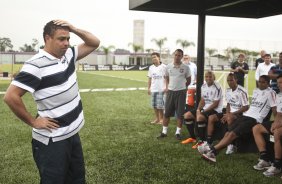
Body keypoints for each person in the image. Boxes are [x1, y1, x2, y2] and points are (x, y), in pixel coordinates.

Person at [3, 20, 100, 183]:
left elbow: (94, 42)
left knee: (77, 179)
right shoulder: (35, 65)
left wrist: (74, 29)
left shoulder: (69, 54)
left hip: (71, 134)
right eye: (61, 39)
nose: (66, 43)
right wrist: (33, 121)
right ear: (47, 38)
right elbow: (10, 96)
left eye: (68, 39)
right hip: (52, 141)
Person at [199, 75, 276, 163]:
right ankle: (212, 151)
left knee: (232, 134)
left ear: (268, 83)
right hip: (245, 116)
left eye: (263, 82)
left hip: (254, 119)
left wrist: (276, 121)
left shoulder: (271, 92)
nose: (260, 84)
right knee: (228, 133)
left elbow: (274, 108)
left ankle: (212, 151)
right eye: (259, 82)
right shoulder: (256, 90)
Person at [204, 73, 249, 154]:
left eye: (231, 80)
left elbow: (246, 107)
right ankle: (209, 141)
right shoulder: (228, 90)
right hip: (230, 112)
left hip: (240, 114)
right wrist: (227, 113)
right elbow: (228, 104)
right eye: (228, 80)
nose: (229, 82)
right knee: (212, 118)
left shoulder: (242, 91)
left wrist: (231, 114)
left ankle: (231, 145)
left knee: (229, 118)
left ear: (236, 80)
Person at [181, 71, 223, 149]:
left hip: (215, 110)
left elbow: (215, 104)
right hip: (205, 108)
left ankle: (202, 141)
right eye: (206, 76)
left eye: (210, 77)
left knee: (199, 117)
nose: (208, 78)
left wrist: (203, 111)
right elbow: (203, 100)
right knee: (187, 115)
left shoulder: (217, 86)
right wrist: (198, 110)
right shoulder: (203, 86)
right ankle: (192, 138)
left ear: (214, 77)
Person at [157, 49, 191, 140]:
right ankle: (164, 132)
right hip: (170, 92)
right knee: (167, 112)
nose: (177, 57)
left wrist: (182, 88)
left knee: (180, 114)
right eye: (176, 55)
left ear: (182, 57)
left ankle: (178, 133)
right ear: (173, 55)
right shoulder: (168, 66)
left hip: (181, 93)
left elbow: (189, 80)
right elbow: (167, 78)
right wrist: (168, 87)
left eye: (179, 55)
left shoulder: (186, 67)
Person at [252, 74, 282, 177]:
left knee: (277, 132)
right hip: (280, 123)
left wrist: (278, 124)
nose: (279, 85)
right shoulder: (279, 95)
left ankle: (277, 165)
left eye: (281, 82)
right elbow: (278, 114)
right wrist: (275, 122)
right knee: (257, 128)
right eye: (278, 83)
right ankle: (265, 159)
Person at [148, 52, 166, 124]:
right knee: (154, 105)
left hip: (161, 88)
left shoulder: (164, 67)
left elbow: (167, 78)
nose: (154, 58)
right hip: (153, 88)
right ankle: (157, 119)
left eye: (155, 57)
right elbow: (150, 78)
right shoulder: (151, 67)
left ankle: (161, 119)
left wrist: (166, 87)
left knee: (160, 105)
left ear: (159, 57)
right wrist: (149, 88)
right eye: (152, 57)